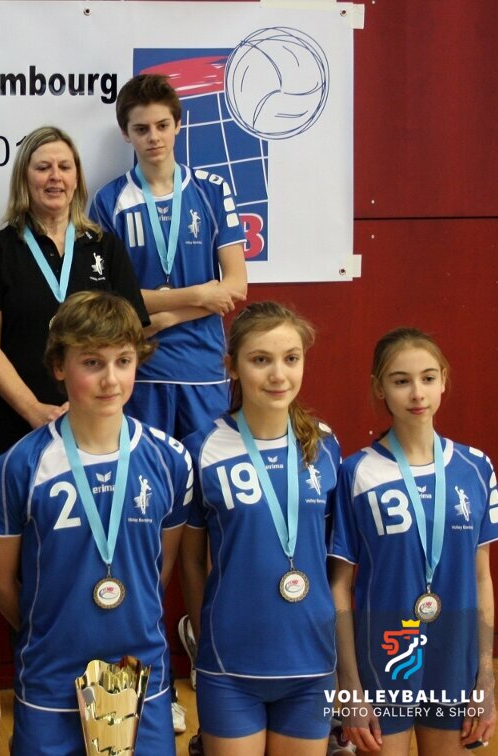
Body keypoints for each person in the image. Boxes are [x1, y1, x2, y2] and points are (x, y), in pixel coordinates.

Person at [0, 290, 191, 755]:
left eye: (123, 361)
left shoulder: (169, 460)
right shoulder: (19, 465)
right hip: (50, 673)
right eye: (92, 363)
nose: (110, 379)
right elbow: (0, 581)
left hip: (140, 669)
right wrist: (48, 628)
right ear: (59, 366)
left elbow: (159, 568)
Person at [328, 328, 498, 755]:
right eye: (401, 380)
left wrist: (485, 676)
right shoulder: (356, 472)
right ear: (379, 388)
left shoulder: (475, 467)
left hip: (453, 656)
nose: (417, 393)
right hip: (384, 654)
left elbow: (481, 579)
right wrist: (349, 686)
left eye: (428, 378)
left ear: (444, 379)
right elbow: (339, 585)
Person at [179, 301, 341, 756]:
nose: (278, 375)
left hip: (310, 661)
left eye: (291, 358)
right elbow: (190, 561)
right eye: (260, 360)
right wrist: (205, 640)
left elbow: (334, 558)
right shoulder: (201, 448)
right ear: (231, 366)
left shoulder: (325, 446)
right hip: (230, 664)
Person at [0, 125, 149, 465]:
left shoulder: (106, 247)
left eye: (64, 167)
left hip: (95, 427)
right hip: (15, 427)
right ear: (24, 177)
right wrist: (33, 409)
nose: (55, 177)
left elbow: (131, 337)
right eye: (43, 167)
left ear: (77, 178)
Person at [91, 73, 247, 442]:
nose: (154, 137)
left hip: (203, 366)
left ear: (178, 125)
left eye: (162, 125)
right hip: (141, 368)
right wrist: (199, 295)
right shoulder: (108, 201)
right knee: (149, 473)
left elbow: (235, 286)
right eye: (141, 129)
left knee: (205, 471)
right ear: (126, 134)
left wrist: (163, 318)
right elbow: (113, 299)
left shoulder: (212, 190)